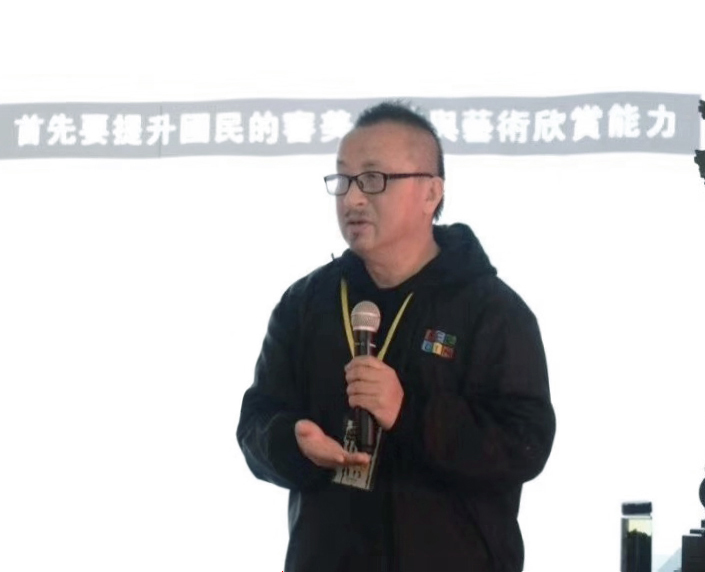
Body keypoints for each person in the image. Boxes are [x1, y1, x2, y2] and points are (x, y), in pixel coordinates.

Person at [236, 100, 556, 572]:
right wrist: (291, 442)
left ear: (431, 192)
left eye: (373, 179)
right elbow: (255, 423)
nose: (352, 199)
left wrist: (411, 414)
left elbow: (525, 444)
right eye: (343, 179)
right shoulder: (306, 303)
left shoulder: (492, 310)